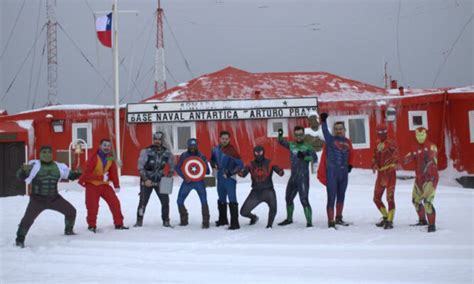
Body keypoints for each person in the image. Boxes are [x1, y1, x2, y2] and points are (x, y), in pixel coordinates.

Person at [15, 145, 81, 248]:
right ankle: (20, 239)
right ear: (40, 154)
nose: (46, 154)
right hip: (37, 199)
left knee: (71, 211)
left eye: (49, 152)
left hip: (54, 198)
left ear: (52, 154)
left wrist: (78, 173)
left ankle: (69, 230)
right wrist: (23, 170)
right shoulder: (33, 166)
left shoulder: (59, 166)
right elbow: (20, 177)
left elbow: (70, 176)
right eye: (44, 152)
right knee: (27, 219)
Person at [79, 139, 128, 233]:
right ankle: (91, 226)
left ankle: (119, 224)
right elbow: (86, 174)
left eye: (109, 146)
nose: (107, 147)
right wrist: (101, 177)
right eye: (105, 145)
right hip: (92, 185)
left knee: (115, 203)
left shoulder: (110, 157)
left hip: (104, 185)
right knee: (92, 206)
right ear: (100, 146)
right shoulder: (93, 157)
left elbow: (113, 171)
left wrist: (116, 184)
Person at [317, 113, 354, 229]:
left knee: (341, 196)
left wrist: (350, 165)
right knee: (331, 197)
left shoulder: (348, 142)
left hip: (343, 173)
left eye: (340, 129)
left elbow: (352, 154)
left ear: (344, 130)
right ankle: (331, 221)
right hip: (332, 173)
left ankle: (339, 217)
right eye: (336, 129)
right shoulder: (330, 140)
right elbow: (324, 131)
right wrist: (323, 121)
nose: (339, 131)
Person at [277, 126, 318, 227]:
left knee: (304, 199)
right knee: (288, 198)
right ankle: (289, 219)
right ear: (294, 135)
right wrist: (280, 134)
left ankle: (309, 223)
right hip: (293, 177)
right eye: (296, 135)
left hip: (303, 177)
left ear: (303, 134)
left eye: (300, 134)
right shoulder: (292, 145)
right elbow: (281, 142)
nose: (299, 136)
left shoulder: (308, 146)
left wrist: (305, 157)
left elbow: (314, 158)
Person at [136, 131, 175, 227]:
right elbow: (140, 166)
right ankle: (139, 221)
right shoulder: (146, 151)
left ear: (162, 140)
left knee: (165, 201)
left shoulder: (167, 153)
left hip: (161, 179)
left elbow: (172, 166)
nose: (157, 141)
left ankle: (166, 221)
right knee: (143, 202)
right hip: (147, 178)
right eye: (155, 139)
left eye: (159, 139)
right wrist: (145, 179)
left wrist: (168, 177)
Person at [239, 145, 284, 228]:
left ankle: (269, 225)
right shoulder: (251, 164)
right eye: (256, 153)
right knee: (243, 212)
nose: (258, 154)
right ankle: (254, 218)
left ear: (263, 152)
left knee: (273, 209)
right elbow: (243, 174)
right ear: (254, 153)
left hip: (268, 191)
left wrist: (280, 171)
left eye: (260, 152)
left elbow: (279, 171)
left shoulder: (270, 162)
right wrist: (239, 171)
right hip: (256, 192)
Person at [403, 127, 439, 233]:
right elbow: (407, 158)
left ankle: (432, 225)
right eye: (418, 135)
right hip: (419, 178)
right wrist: (406, 158)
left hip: (430, 178)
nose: (420, 137)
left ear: (426, 135)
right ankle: (422, 220)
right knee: (416, 201)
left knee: (427, 202)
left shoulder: (432, 147)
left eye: (422, 135)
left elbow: (433, 161)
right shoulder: (415, 147)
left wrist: (428, 169)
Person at [210, 131, 244, 230]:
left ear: (229, 139)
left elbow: (240, 165)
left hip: (229, 178)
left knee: (232, 198)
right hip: (220, 176)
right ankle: (223, 220)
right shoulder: (215, 149)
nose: (224, 140)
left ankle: (235, 223)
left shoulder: (232, 151)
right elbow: (212, 159)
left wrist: (230, 173)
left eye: (226, 139)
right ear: (220, 139)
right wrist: (213, 165)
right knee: (221, 198)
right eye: (223, 138)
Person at [175, 138, 210, 229]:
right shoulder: (184, 155)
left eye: (194, 147)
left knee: (204, 201)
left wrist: (200, 170)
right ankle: (184, 220)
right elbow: (177, 168)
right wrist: (184, 176)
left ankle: (206, 222)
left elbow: (207, 171)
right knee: (179, 201)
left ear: (197, 146)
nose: (193, 148)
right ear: (188, 146)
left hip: (199, 182)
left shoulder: (201, 155)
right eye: (191, 147)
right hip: (188, 182)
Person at [372, 124, 399, 229]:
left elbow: (396, 156)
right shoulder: (377, 143)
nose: (381, 134)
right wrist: (374, 164)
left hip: (390, 175)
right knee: (376, 198)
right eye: (379, 133)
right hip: (380, 175)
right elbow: (374, 156)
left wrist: (393, 165)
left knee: (390, 198)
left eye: (383, 132)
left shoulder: (391, 143)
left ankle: (390, 221)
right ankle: (385, 217)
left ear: (387, 132)